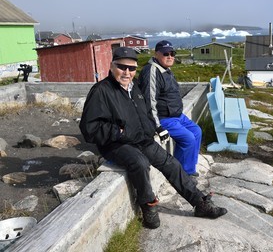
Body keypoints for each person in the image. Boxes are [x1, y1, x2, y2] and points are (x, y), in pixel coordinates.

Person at [79, 46, 227, 229]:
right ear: (111, 66)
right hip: (116, 144)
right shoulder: (101, 90)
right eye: (121, 67)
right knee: (140, 164)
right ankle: (148, 206)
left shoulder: (135, 89)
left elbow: (147, 112)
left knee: (171, 163)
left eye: (131, 68)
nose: (127, 72)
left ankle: (199, 202)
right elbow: (89, 128)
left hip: (141, 139)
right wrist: (120, 133)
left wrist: (154, 128)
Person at [139, 40, 201, 176]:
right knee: (188, 138)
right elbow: (149, 102)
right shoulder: (152, 71)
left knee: (197, 131)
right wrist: (158, 127)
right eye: (166, 53)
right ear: (156, 54)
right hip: (164, 118)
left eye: (172, 53)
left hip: (177, 115)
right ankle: (183, 174)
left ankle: (189, 167)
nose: (170, 56)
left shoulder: (166, 70)